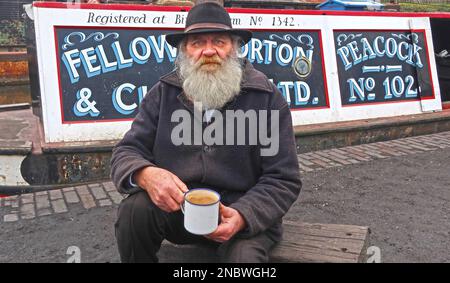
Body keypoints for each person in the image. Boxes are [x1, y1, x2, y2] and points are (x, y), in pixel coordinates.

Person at [111, 1, 302, 263]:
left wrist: (243, 215)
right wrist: (145, 174)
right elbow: (127, 151)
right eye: (198, 43)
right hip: (181, 211)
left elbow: (283, 179)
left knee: (243, 261)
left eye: (219, 42)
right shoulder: (163, 94)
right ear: (185, 51)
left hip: (242, 216)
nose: (208, 51)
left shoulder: (267, 99)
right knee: (134, 211)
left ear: (234, 48)